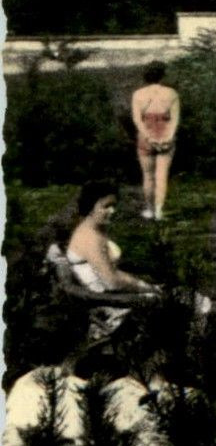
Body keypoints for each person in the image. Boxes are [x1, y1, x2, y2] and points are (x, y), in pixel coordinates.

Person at [63, 182, 161, 340]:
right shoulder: (89, 237)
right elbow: (111, 281)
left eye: (114, 206)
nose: (112, 211)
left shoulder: (95, 230)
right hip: (109, 306)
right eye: (106, 206)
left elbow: (113, 268)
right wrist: (144, 286)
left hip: (114, 296)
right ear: (90, 206)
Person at [130, 62, 179, 220]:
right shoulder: (171, 93)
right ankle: (159, 211)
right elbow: (175, 119)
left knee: (148, 176)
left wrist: (148, 136)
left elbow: (137, 120)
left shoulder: (138, 94)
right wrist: (168, 136)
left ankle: (150, 210)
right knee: (162, 175)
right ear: (162, 75)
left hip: (146, 134)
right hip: (165, 132)